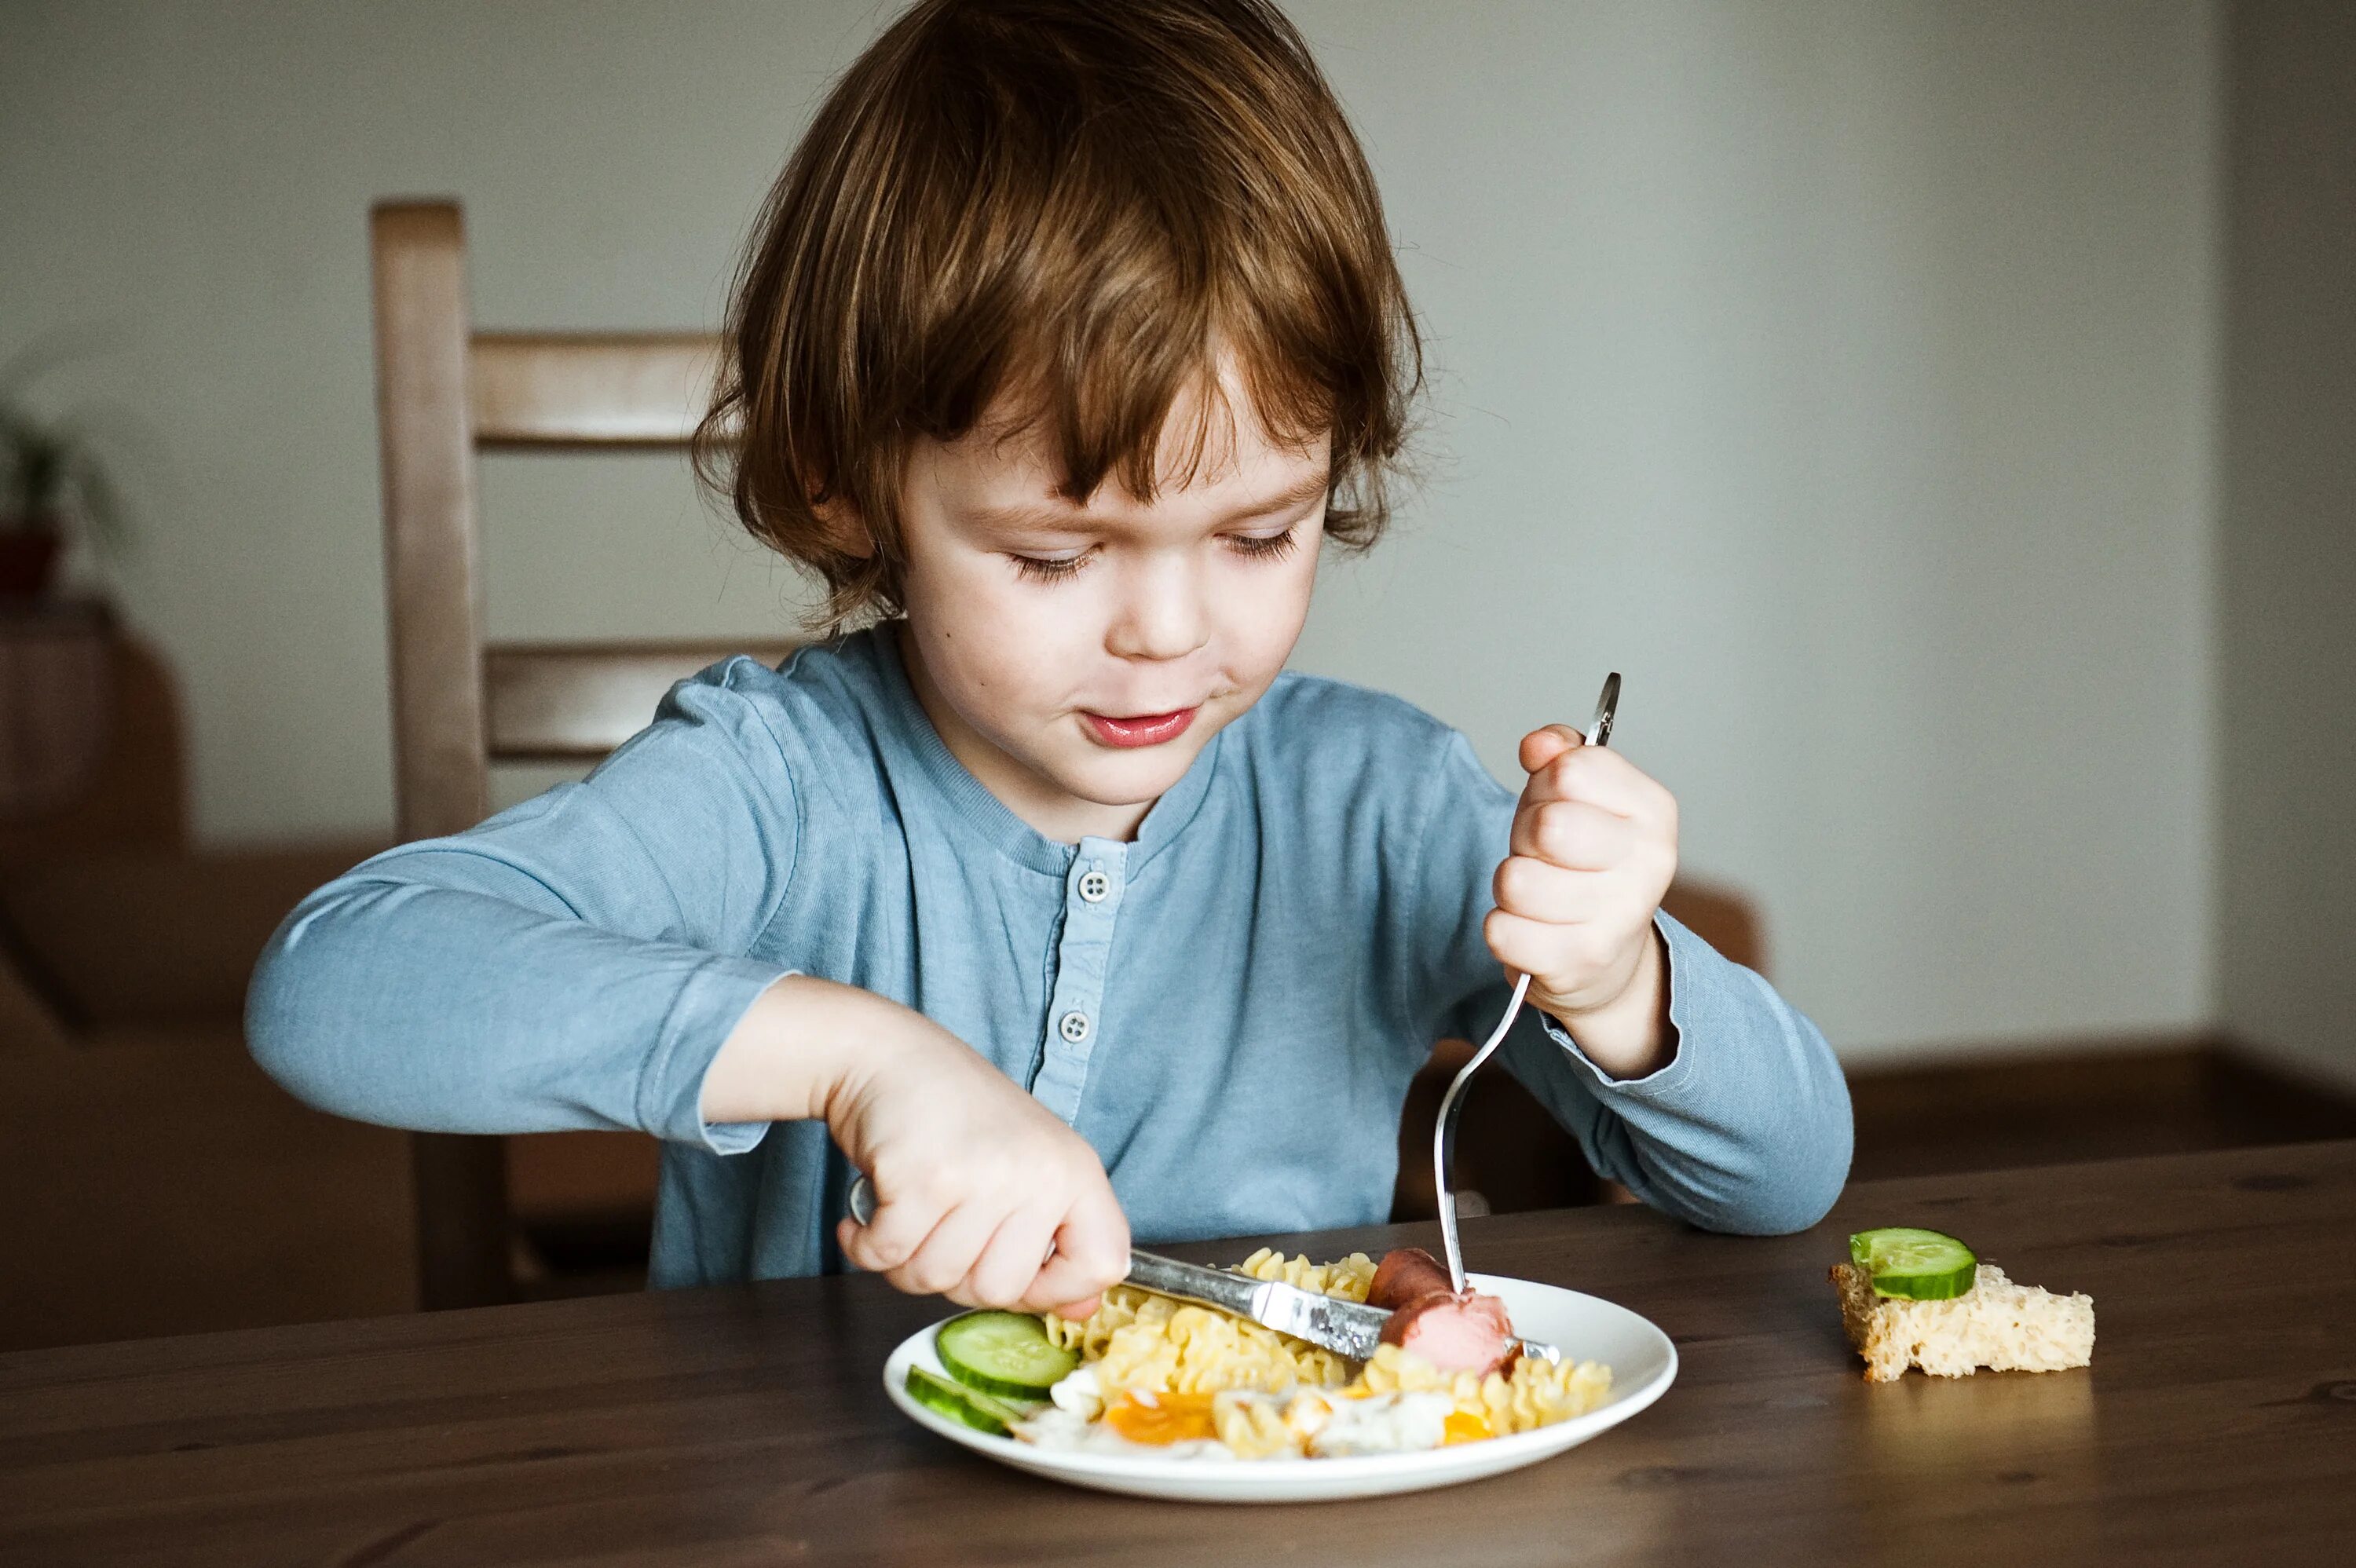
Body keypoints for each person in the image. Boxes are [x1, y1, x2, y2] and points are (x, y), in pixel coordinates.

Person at [250, 0, 1849, 1321]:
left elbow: (1787, 1175)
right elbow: (338, 982)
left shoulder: (1376, 803)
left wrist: (1619, 983)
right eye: (1053, 556)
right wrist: (860, 1059)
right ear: (848, 482)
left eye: (1257, 536)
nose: (1165, 629)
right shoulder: (784, 787)